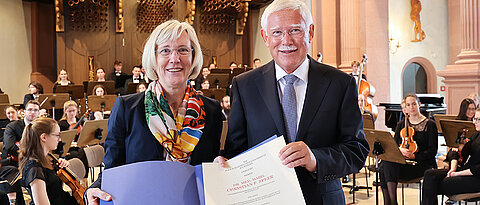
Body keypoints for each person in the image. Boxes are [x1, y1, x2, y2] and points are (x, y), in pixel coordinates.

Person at [214, 1, 369, 204]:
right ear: (265, 37)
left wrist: (316, 159)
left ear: (310, 32)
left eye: (295, 30)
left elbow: (356, 150)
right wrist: (225, 164)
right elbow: (237, 150)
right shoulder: (245, 86)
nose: (286, 41)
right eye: (277, 32)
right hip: (264, 200)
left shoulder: (340, 83)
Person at [85, 20, 223, 205]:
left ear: (193, 56)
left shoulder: (211, 110)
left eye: (183, 50)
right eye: (165, 50)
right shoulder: (126, 108)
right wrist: (93, 190)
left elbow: (210, 168)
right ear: (154, 58)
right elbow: (113, 169)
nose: (175, 58)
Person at [379, 93, 438, 205]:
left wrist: (415, 156)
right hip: (404, 163)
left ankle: (390, 202)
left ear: (419, 104)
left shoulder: (430, 125)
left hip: (422, 164)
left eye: (414, 104)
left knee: (384, 168)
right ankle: (391, 201)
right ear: (405, 107)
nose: (411, 107)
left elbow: (432, 150)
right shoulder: (402, 124)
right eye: (408, 105)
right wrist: (400, 151)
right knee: (385, 164)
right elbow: (394, 146)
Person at [422, 108, 480, 205]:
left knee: (441, 183)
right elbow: (454, 153)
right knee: (429, 175)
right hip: (466, 171)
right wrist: (453, 169)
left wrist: (457, 174)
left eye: (478, 119)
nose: (475, 122)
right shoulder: (475, 136)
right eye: (475, 119)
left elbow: (478, 169)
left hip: (477, 178)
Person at [19, 117, 79, 205]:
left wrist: (61, 168)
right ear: (44, 137)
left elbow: (53, 189)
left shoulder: (48, 158)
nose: (59, 139)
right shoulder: (35, 169)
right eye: (57, 135)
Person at [2, 100, 41, 167]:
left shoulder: (40, 127)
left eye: (36, 110)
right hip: (13, 162)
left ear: (39, 113)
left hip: (33, 161)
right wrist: (29, 156)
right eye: (30, 109)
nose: (32, 112)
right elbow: (10, 147)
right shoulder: (12, 126)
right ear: (24, 112)